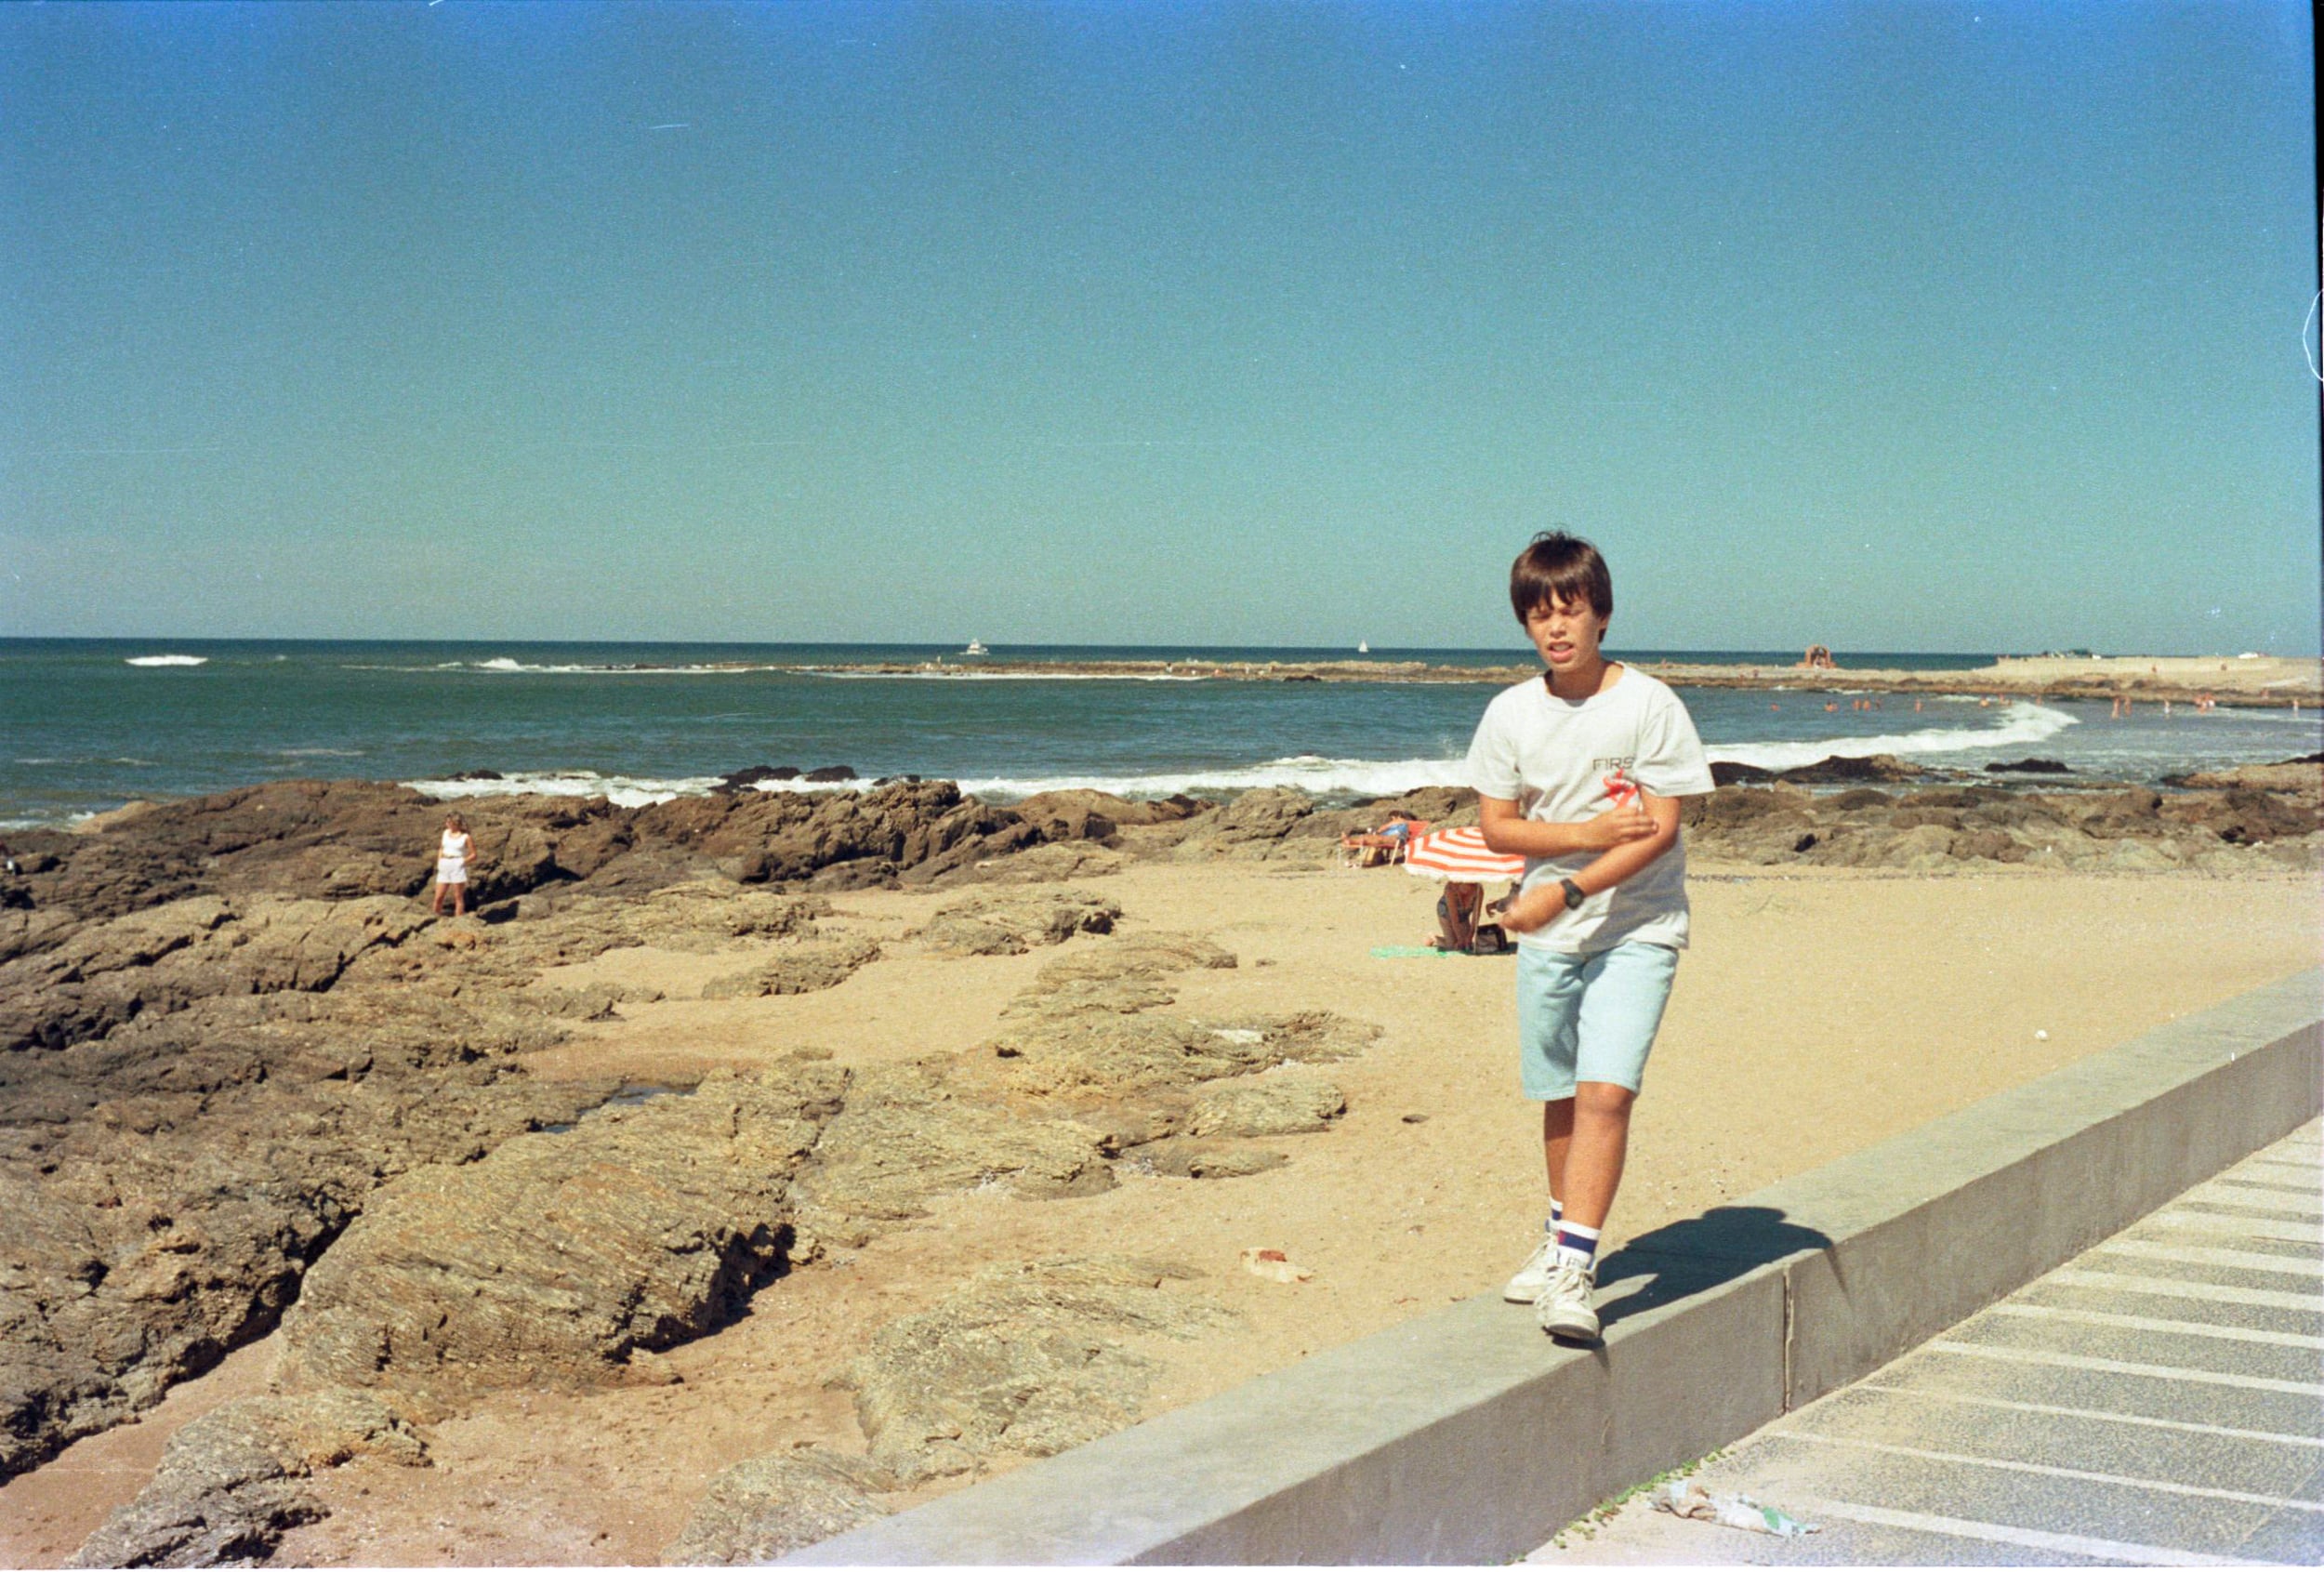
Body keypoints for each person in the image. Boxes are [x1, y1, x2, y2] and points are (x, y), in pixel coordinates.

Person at [1466, 531, 1716, 1341]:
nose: (1556, 627)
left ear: (1601, 614)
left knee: (1608, 1090)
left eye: (1569, 610)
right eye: (1539, 614)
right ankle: (1557, 1237)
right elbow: (1498, 827)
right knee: (1562, 1095)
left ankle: (1575, 1267)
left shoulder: (1649, 705)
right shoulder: (1510, 712)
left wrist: (1566, 886)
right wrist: (1584, 835)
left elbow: (1660, 829)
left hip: (1638, 924)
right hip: (1548, 937)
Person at [430, 812, 476, 917]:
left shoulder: (466, 837)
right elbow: (441, 848)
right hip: (444, 864)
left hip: (457, 865)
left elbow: (474, 855)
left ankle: (459, 921)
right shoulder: (445, 833)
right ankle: (434, 918)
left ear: (456, 823)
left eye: (449, 822)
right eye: (447, 822)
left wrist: (461, 862)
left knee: (458, 897)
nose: (447, 824)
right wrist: (439, 861)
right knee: (438, 897)